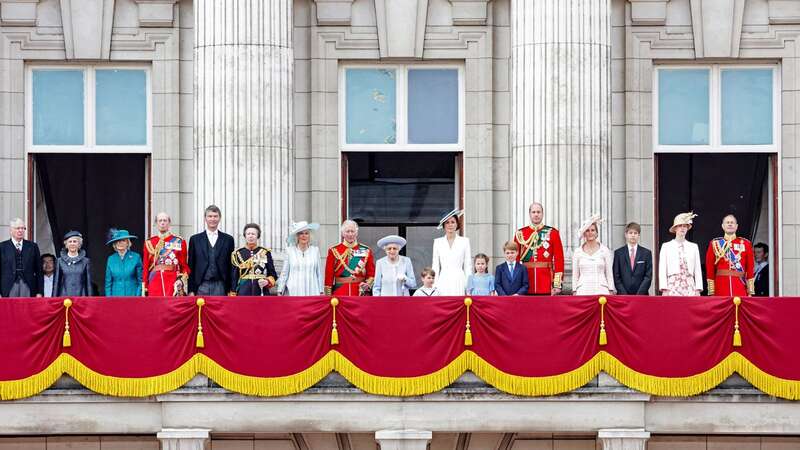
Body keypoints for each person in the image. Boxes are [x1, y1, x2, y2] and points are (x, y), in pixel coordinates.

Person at [513, 202, 565, 295]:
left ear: (542, 214)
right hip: (526, 282)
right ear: (529, 214)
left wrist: (557, 284)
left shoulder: (552, 233)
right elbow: (515, 260)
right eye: (533, 212)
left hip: (546, 282)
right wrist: (516, 282)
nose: (536, 214)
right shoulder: (520, 234)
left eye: (538, 212)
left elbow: (559, 259)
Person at [188, 205, 235, 296]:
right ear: (205, 218)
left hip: (221, 285)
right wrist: (191, 290)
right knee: (201, 310)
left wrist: (231, 289)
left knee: (220, 310)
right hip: (201, 285)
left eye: (215, 216)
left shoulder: (228, 239)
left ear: (219, 218)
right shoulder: (195, 239)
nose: (212, 219)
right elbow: (191, 265)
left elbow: (231, 266)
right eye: (210, 216)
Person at [706, 215, 755, 297]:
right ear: (723, 226)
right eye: (727, 222)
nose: (730, 224)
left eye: (732, 222)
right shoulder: (715, 244)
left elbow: (750, 268)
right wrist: (712, 291)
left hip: (740, 287)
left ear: (736, 226)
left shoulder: (746, 244)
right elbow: (710, 268)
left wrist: (750, 291)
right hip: (720, 287)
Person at [143, 212, 189, 297]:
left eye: (165, 220)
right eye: (160, 221)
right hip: (155, 282)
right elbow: (146, 267)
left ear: (169, 223)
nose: (162, 223)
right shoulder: (149, 242)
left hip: (173, 281)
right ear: (156, 224)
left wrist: (181, 280)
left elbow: (184, 266)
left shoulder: (179, 241)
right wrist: (145, 287)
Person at [324, 220, 375, 296]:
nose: (350, 234)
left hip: (360, 292)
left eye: (352, 231)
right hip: (340, 291)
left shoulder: (366, 250)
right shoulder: (334, 250)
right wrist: (328, 295)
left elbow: (371, 274)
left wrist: (367, 285)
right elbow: (329, 275)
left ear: (356, 233)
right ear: (342, 233)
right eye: (347, 231)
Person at [659, 212, 703, 296]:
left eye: (685, 226)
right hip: (672, 285)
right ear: (675, 228)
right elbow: (662, 269)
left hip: (690, 285)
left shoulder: (693, 247)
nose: (682, 228)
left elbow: (697, 269)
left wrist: (698, 288)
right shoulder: (666, 246)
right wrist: (664, 288)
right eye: (680, 226)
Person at [571, 215, 615, 296]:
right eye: (587, 230)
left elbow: (609, 273)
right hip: (582, 291)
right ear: (584, 233)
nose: (590, 233)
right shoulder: (577, 252)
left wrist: (611, 289)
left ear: (596, 233)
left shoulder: (605, 250)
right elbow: (575, 275)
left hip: (601, 290)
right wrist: (574, 290)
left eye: (593, 230)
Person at [276, 221, 324, 296]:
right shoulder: (290, 251)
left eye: (306, 233)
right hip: (294, 291)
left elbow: (319, 273)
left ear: (309, 236)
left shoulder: (315, 251)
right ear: (297, 236)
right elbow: (285, 272)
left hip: (312, 290)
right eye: (301, 233)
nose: (304, 236)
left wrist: (321, 291)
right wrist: (280, 290)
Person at [431, 209, 472, 296]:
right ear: (443, 225)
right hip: (443, 279)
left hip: (459, 279)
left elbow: (468, 265)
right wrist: (434, 285)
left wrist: (468, 285)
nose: (450, 225)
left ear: (457, 224)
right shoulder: (438, 242)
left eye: (453, 222)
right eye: (447, 222)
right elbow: (435, 266)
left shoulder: (464, 241)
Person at [231, 223, 278, 296]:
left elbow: (273, 274)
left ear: (258, 236)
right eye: (248, 234)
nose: (250, 236)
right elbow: (234, 276)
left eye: (253, 234)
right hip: (243, 290)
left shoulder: (265, 252)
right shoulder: (237, 253)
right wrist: (233, 292)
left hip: (261, 289)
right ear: (245, 236)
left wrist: (267, 281)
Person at [0, 218, 43, 297]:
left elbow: (39, 271)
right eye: (18, 228)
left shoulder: (33, 246)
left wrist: (40, 292)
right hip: (8, 287)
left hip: (28, 286)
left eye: (23, 228)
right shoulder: (2, 247)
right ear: (11, 230)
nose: (21, 230)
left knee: (27, 309)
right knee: (10, 309)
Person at [612, 222, 653, 295]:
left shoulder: (646, 253)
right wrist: (624, 294)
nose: (633, 235)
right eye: (630, 233)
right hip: (623, 296)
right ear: (626, 235)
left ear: (639, 235)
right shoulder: (618, 253)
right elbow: (616, 276)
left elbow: (648, 276)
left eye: (635, 233)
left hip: (641, 296)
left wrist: (639, 294)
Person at [104, 229, 143, 297]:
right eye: (117, 241)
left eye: (123, 240)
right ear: (114, 244)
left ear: (128, 243)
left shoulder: (136, 257)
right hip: (115, 297)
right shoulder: (111, 259)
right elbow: (108, 283)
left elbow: (140, 281)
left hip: (132, 295)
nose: (120, 243)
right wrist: (109, 299)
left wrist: (137, 296)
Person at [53, 231, 92, 297]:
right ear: (66, 244)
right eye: (70, 241)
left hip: (81, 298)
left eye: (75, 241)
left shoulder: (86, 261)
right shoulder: (59, 261)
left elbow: (88, 284)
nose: (72, 244)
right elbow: (57, 283)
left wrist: (90, 300)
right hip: (64, 298)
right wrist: (54, 300)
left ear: (79, 244)